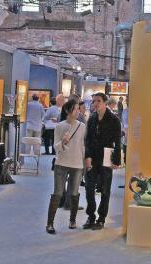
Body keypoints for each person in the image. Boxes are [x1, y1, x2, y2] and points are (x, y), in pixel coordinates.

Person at [83, 92, 122, 230]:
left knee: (105, 189)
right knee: (88, 188)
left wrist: (117, 160)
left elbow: (117, 141)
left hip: (106, 155)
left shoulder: (114, 120)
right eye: (93, 101)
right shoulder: (92, 119)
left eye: (98, 101)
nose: (95, 103)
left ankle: (101, 218)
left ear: (105, 102)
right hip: (92, 156)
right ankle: (91, 215)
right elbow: (87, 139)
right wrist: (87, 156)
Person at [46, 99, 86, 234]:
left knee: (74, 193)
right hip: (61, 163)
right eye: (75, 109)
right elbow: (55, 147)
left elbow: (83, 146)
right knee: (57, 193)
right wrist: (63, 141)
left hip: (77, 164)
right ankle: (50, 223)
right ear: (68, 111)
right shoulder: (60, 126)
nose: (78, 111)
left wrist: (84, 163)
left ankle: (72, 220)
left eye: (78, 109)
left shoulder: (82, 126)